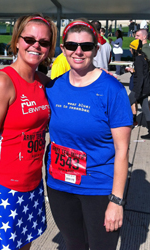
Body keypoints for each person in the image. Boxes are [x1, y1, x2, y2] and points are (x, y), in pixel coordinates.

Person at [45, 19, 133, 250]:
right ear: (63, 49)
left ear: (96, 49)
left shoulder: (112, 90)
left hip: (98, 189)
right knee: (74, 244)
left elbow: (122, 151)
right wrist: (1, 76)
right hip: (59, 187)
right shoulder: (53, 87)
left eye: (86, 46)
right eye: (72, 45)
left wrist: (116, 200)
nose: (78, 51)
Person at [0, 14, 57, 250]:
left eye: (44, 42)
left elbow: (71, 88)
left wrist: (97, 76)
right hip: (6, 188)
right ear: (17, 41)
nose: (36, 46)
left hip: (33, 185)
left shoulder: (43, 81)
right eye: (29, 39)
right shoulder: (2, 83)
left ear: (49, 48)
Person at [128, 39, 150, 139]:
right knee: (145, 109)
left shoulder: (138, 60)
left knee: (124, 105)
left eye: (131, 48)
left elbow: (140, 77)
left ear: (135, 49)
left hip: (139, 89)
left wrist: (136, 93)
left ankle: (118, 127)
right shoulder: (143, 57)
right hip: (145, 88)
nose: (129, 50)